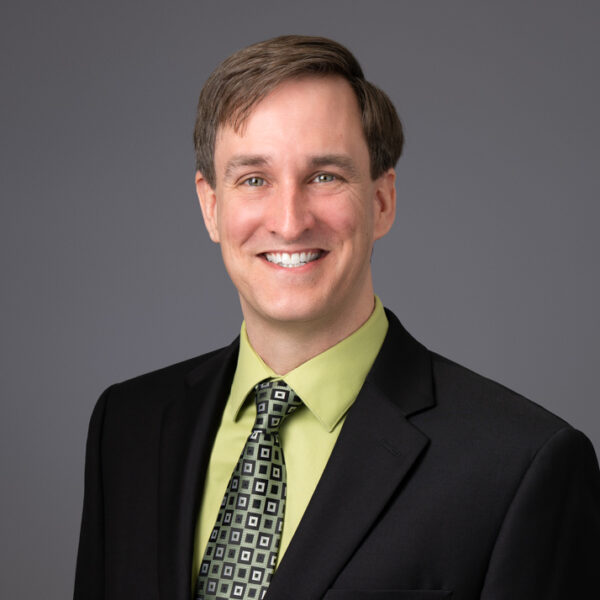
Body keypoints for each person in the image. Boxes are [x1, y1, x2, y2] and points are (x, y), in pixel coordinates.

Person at [74, 35, 600, 600]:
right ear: (211, 205)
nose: (290, 220)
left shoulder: (520, 465)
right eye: (254, 179)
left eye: (325, 176)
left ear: (381, 202)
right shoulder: (126, 427)